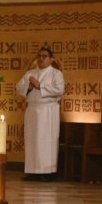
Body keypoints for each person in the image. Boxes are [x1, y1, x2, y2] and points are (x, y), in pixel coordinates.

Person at [15, 46, 64, 181]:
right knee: (32, 140)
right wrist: (29, 87)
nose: (41, 58)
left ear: (51, 59)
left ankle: (47, 172)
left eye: (44, 56)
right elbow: (19, 88)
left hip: (48, 111)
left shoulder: (56, 74)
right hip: (32, 110)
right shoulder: (30, 73)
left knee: (46, 141)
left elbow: (59, 90)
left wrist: (40, 86)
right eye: (39, 56)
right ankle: (32, 171)